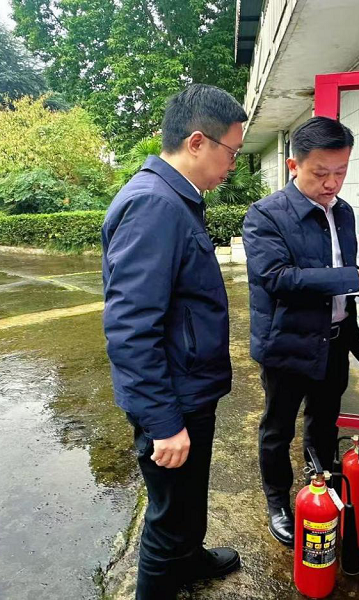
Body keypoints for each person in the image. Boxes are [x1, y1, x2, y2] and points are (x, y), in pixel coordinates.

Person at [102, 84, 246, 599]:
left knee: (188, 497)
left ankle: (190, 558)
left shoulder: (177, 199)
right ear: (198, 142)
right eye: (232, 151)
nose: (233, 165)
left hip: (189, 385)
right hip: (172, 395)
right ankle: (170, 568)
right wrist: (163, 422)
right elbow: (130, 327)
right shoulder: (153, 205)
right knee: (168, 516)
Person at [242, 116, 359, 546]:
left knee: (324, 422)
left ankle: (321, 484)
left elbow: (339, 276)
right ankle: (277, 502)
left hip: (334, 340)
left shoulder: (343, 212)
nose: (332, 183)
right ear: (293, 165)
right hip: (287, 342)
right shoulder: (266, 215)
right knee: (278, 428)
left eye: (341, 172)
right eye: (320, 173)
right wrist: (357, 276)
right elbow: (278, 278)